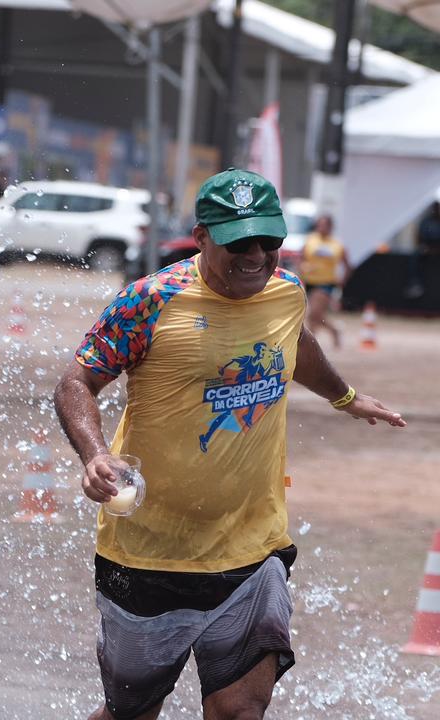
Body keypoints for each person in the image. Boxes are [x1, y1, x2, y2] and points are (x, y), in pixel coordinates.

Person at [53, 168, 406, 720]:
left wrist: (345, 396)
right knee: (131, 713)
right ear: (201, 237)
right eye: (240, 241)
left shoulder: (286, 291)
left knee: (241, 710)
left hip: (252, 546)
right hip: (149, 552)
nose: (257, 254)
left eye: (269, 241)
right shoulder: (150, 300)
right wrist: (96, 455)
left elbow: (297, 341)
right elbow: (76, 382)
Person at [298, 215, 352, 348]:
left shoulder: (337, 244)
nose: (321, 227)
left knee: (314, 313)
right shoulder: (310, 240)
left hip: (326, 283)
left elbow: (347, 265)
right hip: (309, 282)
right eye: (319, 224)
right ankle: (333, 331)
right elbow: (300, 258)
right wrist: (303, 268)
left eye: (324, 225)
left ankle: (310, 345)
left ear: (330, 227)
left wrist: (342, 281)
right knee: (316, 316)